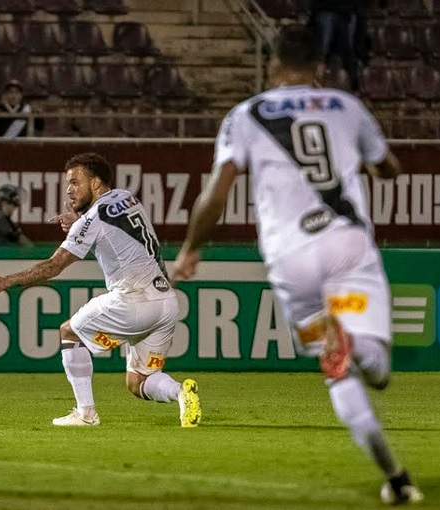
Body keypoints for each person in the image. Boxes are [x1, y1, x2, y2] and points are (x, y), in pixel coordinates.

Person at [170, 25, 422, 505]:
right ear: (320, 69)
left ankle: (397, 478)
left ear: (273, 66)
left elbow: (217, 192)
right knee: (379, 370)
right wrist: (367, 162)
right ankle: (359, 349)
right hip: (347, 249)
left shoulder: (246, 115)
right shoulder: (347, 107)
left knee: (336, 371)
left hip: (290, 263)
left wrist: (191, 250)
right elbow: (390, 168)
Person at [0, 153, 202, 428]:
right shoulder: (127, 197)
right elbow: (108, 222)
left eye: (75, 182)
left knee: (70, 332)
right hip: (165, 301)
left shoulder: (90, 221)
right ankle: (181, 393)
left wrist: (5, 281)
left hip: (135, 300)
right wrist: (80, 219)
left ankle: (86, 414)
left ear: (95, 182)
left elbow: (54, 266)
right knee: (138, 380)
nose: (69, 189)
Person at [308, 0, 361, 91]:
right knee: (321, 54)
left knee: (347, 54)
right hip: (324, 9)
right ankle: (314, 87)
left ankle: (348, 89)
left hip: (348, 10)